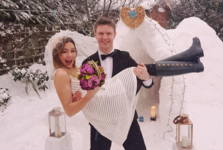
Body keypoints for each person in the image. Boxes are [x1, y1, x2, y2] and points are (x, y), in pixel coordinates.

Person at [81, 16, 204, 150]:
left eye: (108, 33)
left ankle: (193, 59)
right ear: (95, 34)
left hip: (126, 118)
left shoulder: (125, 57)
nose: (105, 37)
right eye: (101, 33)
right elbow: (87, 96)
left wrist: (146, 77)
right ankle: (192, 62)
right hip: (101, 121)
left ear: (114, 34)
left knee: (145, 68)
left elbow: (147, 84)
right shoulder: (88, 64)